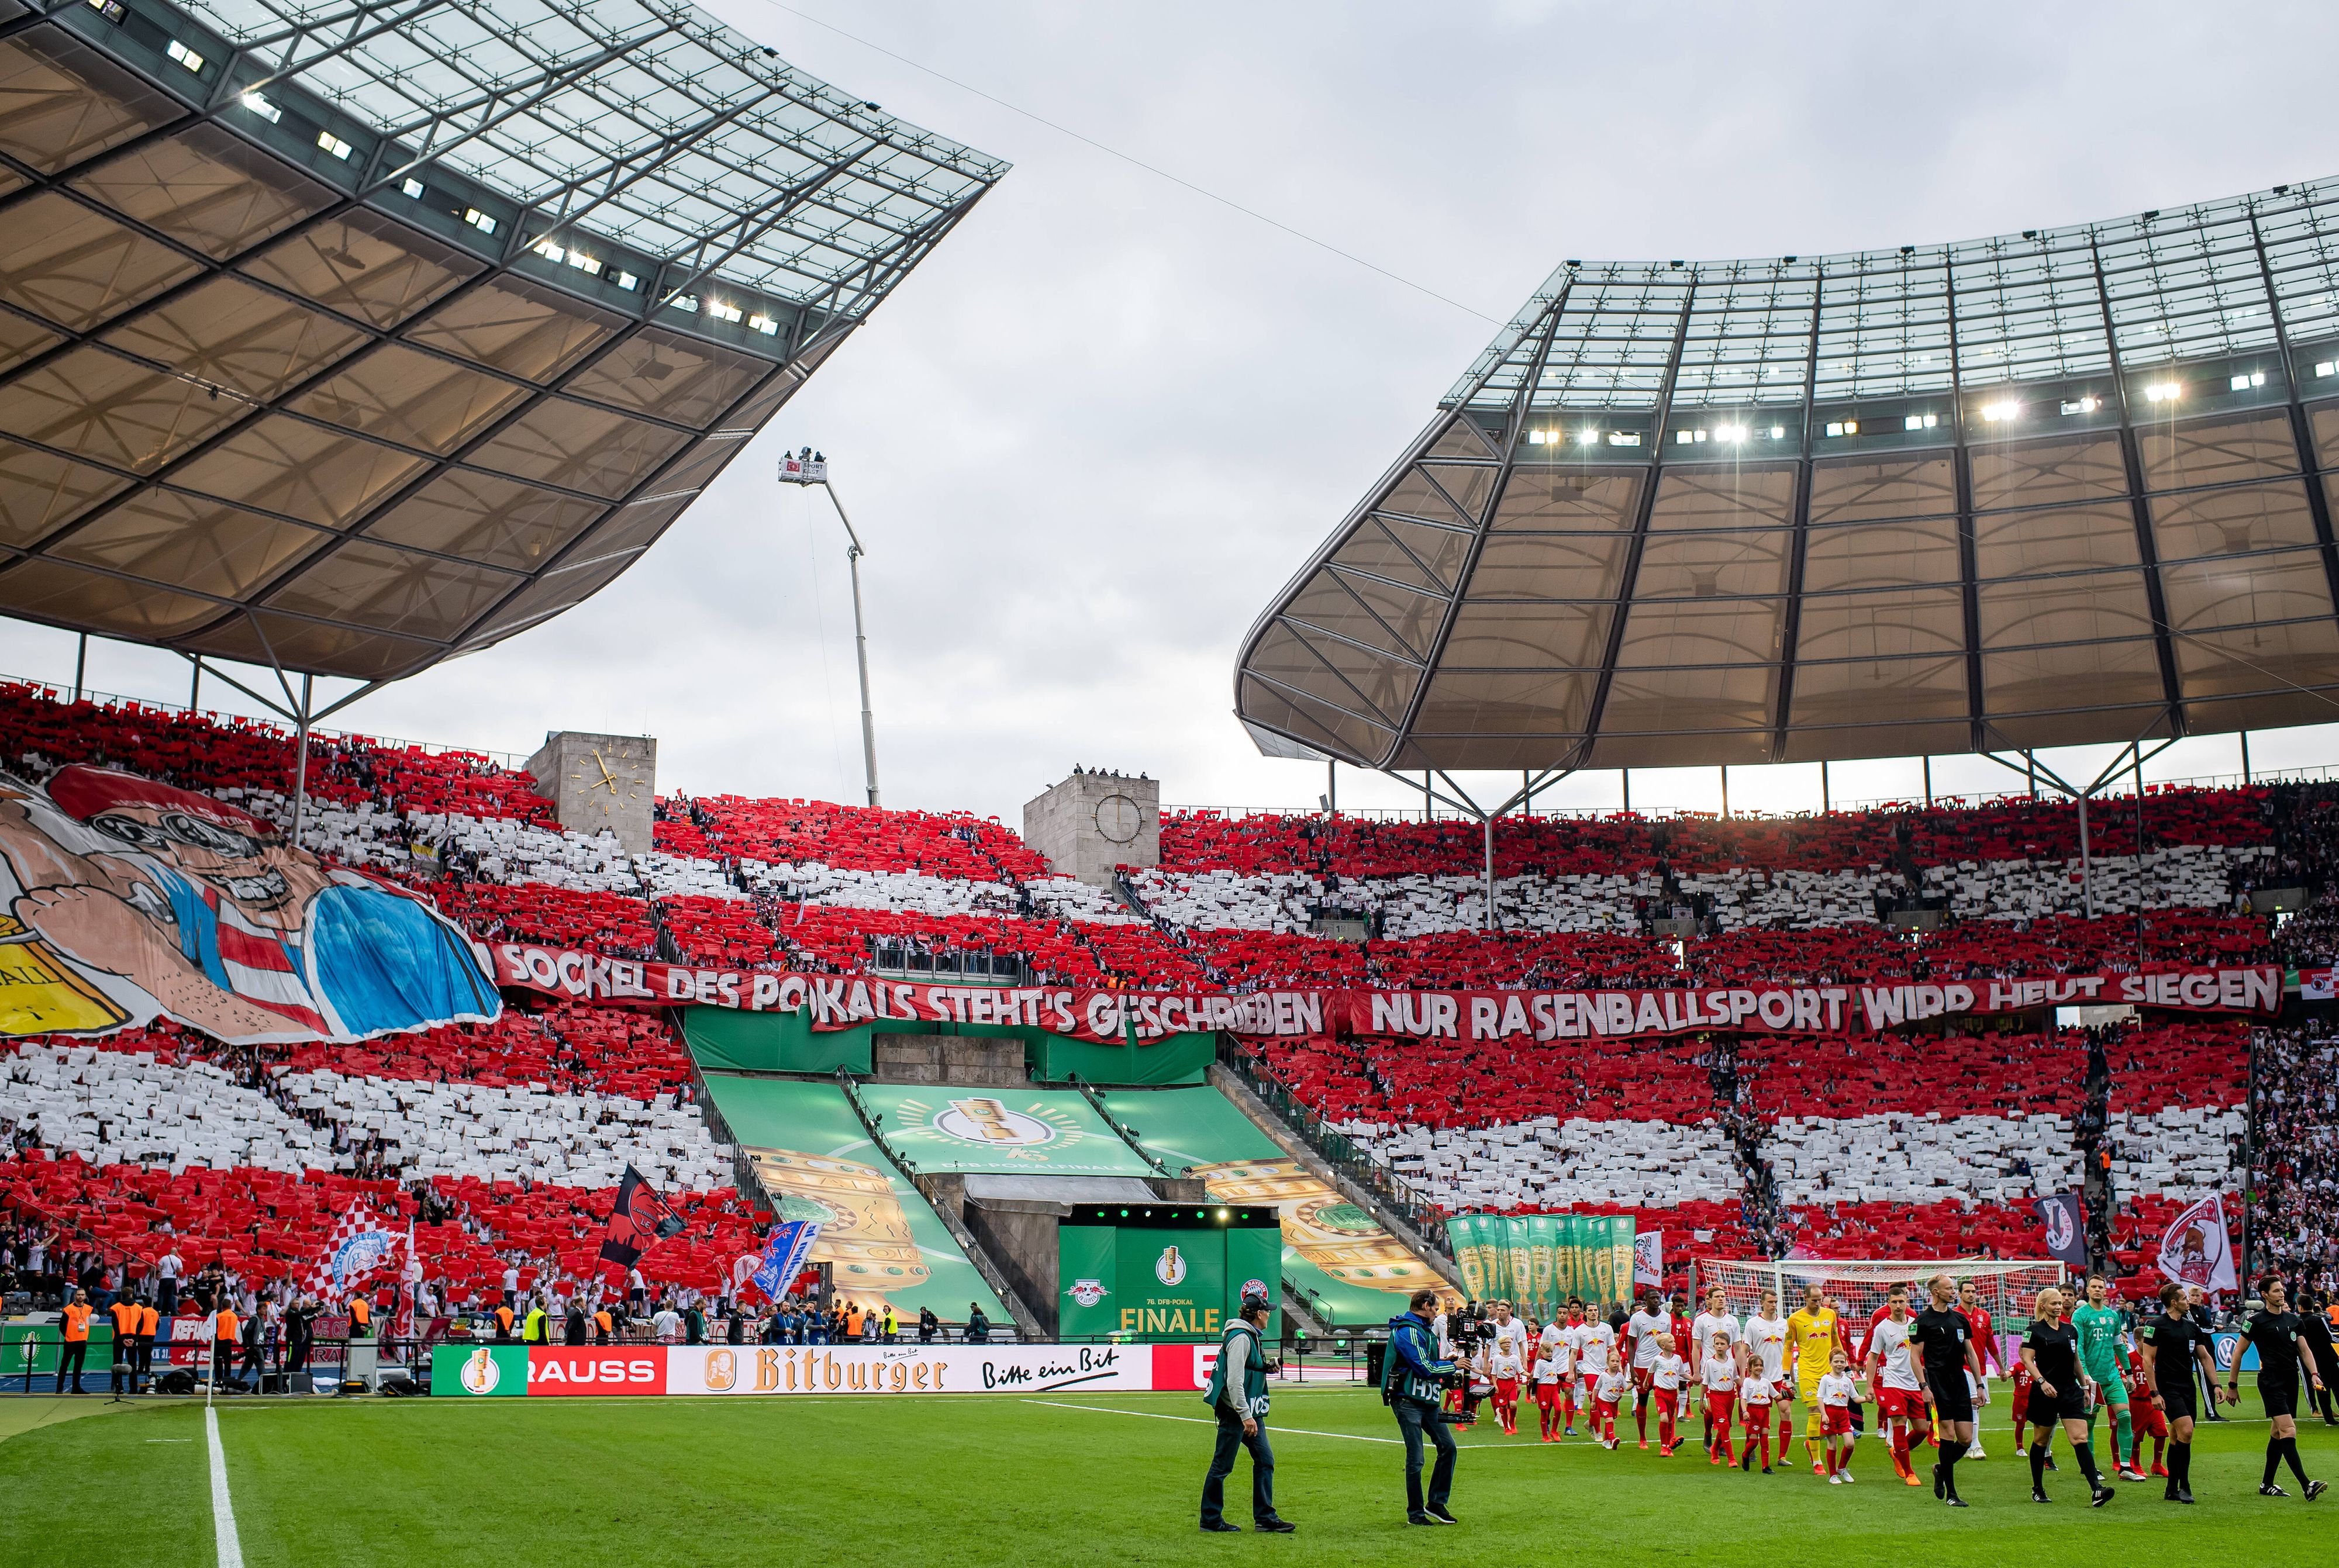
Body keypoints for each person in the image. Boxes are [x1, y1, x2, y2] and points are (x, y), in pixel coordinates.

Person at [2223, 1276, 2328, 1500]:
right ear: (2265, 1295)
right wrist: (2232, 1385)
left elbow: (2305, 1350)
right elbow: (2238, 1353)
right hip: (2270, 1381)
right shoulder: (2256, 1321)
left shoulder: (2293, 1320)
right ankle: (2307, 1485)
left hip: (2291, 1379)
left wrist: (2314, 1374)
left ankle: (2267, 1484)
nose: (2282, 1294)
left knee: (2277, 1433)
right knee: (2288, 1430)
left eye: (2282, 1290)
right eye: (2276, 1291)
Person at [1200, 1291, 1291, 1534]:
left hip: (1244, 1411)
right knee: (1222, 1466)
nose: (1270, 1314)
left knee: (1265, 1460)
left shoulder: (1246, 1335)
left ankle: (1265, 1518)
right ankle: (1210, 1520)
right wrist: (1245, 1415)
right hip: (1237, 1413)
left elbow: (1245, 1370)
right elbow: (1234, 1381)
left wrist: (1266, 1367)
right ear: (1259, 1314)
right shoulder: (1241, 1338)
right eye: (1268, 1311)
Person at [2020, 1285, 2114, 1507]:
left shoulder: (2070, 1330)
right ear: (2043, 1306)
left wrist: (2084, 1387)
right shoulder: (2034, 1330)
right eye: (2053, 1303)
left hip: (2070, 1391)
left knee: (2080, 1438)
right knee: (2041, 1440)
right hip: (2045, 1392)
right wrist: (2042, 1382)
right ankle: (2038, 1488)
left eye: (2060, 1303)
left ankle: (2096, 1490)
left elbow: (2076, 1361)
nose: (2058, 1306)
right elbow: (2027, 1359)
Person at [2139, 1278, 2227, 1504]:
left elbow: (2205, 1357)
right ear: (2173, 1302)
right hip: (2168, 1388)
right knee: (2186, 1431)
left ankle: (2171, 1489)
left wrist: (2216, 1385)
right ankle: (2185, 1486)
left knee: (2178, 1436)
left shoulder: (2191, 1327)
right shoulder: (2156, 1325)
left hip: (2188, 1386)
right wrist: (2154, 1392)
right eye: (2185, 1298)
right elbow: (2148, 1360)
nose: (2189, 1301)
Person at [1384, 1287, 1461, 1525]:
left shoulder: (1423, 1331)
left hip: (1426, 1400)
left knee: (1449, 1448)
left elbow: (1428, 1363)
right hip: (1408, 1400)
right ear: (1426, 1306)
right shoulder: (1408, 1330)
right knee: (1416, 1458)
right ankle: (1415, 1513)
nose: (1437, 1312)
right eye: (1435, 1307)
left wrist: (1446, 1363)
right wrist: (1453, 1367)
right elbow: (1424, 1368)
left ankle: (1436, 1504)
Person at [1912, 1273, 1989, 1507]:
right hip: (1937, 1380)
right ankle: (1952, 1495)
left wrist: (1979, 1384)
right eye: (1949, 1288)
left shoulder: (1960, 1320)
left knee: (1965, 1439)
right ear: (1936, 1292)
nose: (1953, 1291)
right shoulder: (1922, 1321)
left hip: (1959, 1380)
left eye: (1954, 1288)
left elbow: (1971, 1353)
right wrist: (1924, 1386)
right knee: (1947, 1434)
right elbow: (1915, 1356)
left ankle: (1940, 1469)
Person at [2071, 1272, 2142, 1481]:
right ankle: (2090, 1467)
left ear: (2105, 1290)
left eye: (2100, 1287)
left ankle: (2126, 1467)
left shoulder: (2113, 1316)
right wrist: (2084, 1374)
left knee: (2126, 1416)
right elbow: (2079, 1348)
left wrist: (2128, 1374)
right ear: (2087, 1290)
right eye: (2093, 1287)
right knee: (2090, 1423)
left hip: (2112, 1376)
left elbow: (2119, 1346)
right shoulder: (2080, 1315)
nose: (2097, 1290)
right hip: (2090, 1379)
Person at [1864, 1284, 1927, 1489]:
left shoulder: (1916, 1324)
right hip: (1893, 1383)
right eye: (1894, 1302)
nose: (1898, 1306)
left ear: (1907, 1300)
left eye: (1901, 1301)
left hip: (1915, 1383)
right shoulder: (1882, 1328)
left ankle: (1897, 1452)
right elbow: (1873, 1357)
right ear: (1888, 1303)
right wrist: (1870, 1387)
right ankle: (1909, 1472)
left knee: (1923, 1430)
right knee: (1899, 1425)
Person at [1786, 1282, 1840, 1472]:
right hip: (1808, 1370)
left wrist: (1846, 1367)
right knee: (1816, 1412)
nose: (1818, 1304)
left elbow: (1835, 1340)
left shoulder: (1830, 1314)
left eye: (1820, 1300)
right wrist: (1787, 1375)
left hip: (1828, 1371)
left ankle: (1812, 1443)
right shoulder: (1795, 1319)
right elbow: (1787, 1347)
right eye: (1814, 1300)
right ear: (1805, 1298)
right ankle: (1817, 1461)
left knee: (1831, 1415)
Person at [1739, 1287, 1794, 1463]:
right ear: (1762, 1302)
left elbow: (1788, 1352)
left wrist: (1791, 1378)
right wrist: (1742, 1374)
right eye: (1770, 1302)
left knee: (1786, 1412)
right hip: (1759, 1379)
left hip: (1779, 1378)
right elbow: (1745, 1349)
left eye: (1776, 1302)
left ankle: (1782, 1456)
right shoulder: (1753, 1324)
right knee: (1757, 1417)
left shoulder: (1784, 1324)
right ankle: (1751, 1445)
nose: (1773, 1305)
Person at [1689, 1286, 1741, 1457]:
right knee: (1714, 1410)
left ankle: (1718, 1439)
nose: (1721, 1299)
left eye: (1723, 1296)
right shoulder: (1702, 1320)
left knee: (1726, 1411)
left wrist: (1742, 1373)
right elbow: (1696, 1347)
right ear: (1709, 1300)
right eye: (1717, 1296)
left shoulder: (1732, 1321)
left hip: (1728, 1369)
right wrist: (1696, 1371)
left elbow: (1738, 1349)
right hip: (1709, 1370)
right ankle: (1712, 1436)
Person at [1957, 1278, 2001, 1459]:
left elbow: (1990, 1342)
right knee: (1974, 1403)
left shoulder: (1985, 1316)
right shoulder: (1954, 1315)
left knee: (1977, 1405)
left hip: (1980, 1368)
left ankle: (1967, 1442)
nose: (1971, 1294)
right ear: (1959, 1294)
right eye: (1967, 1291)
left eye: (1974, 1291)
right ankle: (1974, 1445)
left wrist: (2001, 1366)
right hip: (1962, 1367)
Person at [1623, 1289, 1669, 1449]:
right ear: (1646, 1300)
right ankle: (1642, 1438)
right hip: (1642, 1365)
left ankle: (1669, 1438)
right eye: (1653, 1298)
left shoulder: (1666, 1317)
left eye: (1658, 1298)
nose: (1656, 1301)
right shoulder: (1637, 1318)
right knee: (1643, 1399)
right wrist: (1632, 1368)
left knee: (1667, 1398)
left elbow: (1668, 1342)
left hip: (1661, 1366)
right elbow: (1631, 1344)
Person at [1816, 1349, 1858, 1483]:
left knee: (1850, 1444)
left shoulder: (1848, 1381)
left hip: (1843, 1414)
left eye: (1842, 1361)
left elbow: (1855, 1398)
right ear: (1830, 1363)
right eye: (1836, 1361)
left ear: (1845, 1363)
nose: (1839, 1364)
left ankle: (1842, 1468)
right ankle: (1833, 1475)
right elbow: (1820, 1397)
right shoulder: (1826, 1379)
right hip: (1830, 1413)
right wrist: (1824, 1414)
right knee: (1832, 1445)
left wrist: (1868, 1398)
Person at [1698, 1333, 1738, 1467]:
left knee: (1726, 1426)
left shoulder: (1732, 1361)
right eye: (1717, 1344)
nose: (1719, 1346)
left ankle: (1714, 1449)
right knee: (1724, 1426)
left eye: (1722, 1344)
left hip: (1730, 1396)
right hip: (1716, 1396)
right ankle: (1732, 1459)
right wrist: (1701, 1400)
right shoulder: (1710, 1363)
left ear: (1728, 1346)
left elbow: (1736, 1378)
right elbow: (1705, 1383)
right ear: (1713, 1345)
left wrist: (1745, 1383)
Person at [55, 1288, 92, 1394]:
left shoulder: (88, 1309)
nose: (80, 1297)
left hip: (82, 1341)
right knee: (64, 1365)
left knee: (78, 1366)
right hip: (71, 1341)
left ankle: (76, 1388)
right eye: (79, 1295)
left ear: (85, 1296)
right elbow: (62, 1325)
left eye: (82, 1295)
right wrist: (68, 1335)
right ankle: (59, 1388)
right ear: (75, 1296)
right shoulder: (69, 1309)